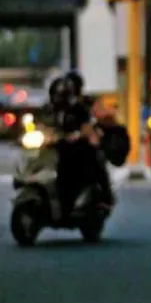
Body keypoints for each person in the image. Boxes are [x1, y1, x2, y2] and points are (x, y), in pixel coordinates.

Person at [47, 71, 115, 210]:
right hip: (59, 144)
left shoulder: (80, 107)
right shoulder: (51, 109)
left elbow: (89, 124)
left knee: (94, 159)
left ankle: (105, 197)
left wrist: (79, 135)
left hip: (79, 145)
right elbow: (41, 122)